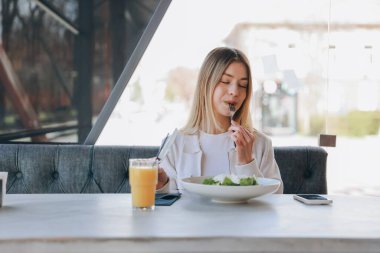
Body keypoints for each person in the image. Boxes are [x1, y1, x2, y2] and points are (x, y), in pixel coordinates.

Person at [156, 47, 283, 193]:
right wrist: (160, 187)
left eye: (243, 85)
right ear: (206, 84)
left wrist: (247, 163)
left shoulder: (260, 144)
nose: (235, 91)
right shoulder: (175, 144)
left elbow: (276, 200)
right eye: (225, 81)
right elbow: (167, 203)